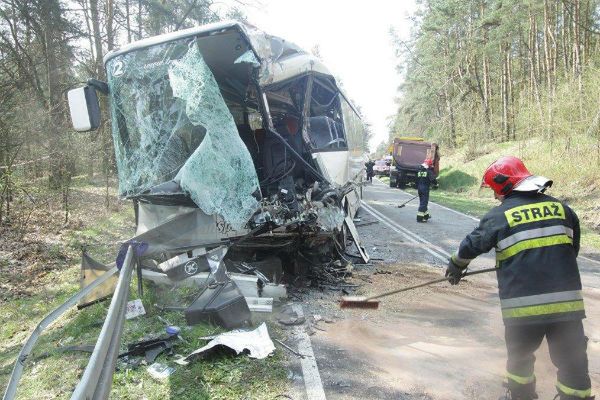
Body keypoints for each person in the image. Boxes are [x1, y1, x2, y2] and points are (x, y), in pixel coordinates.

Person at [445, 156, 593, 400]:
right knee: (572, 363)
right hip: (567, 307)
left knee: (520, 360)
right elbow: (571, 251)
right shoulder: (563, 210)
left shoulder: (499, 216)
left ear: (504, 185)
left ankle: (521, 396)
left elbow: (471, 245)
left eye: (494, 190)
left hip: (523, 310)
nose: (494, 197)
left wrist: (456, 265)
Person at [416, 157, 435, 222]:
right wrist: (435, 184)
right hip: (425, 189)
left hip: (419, 188)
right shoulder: (428, 171)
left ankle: (426, 216)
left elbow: (417, 180)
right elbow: (433, 180)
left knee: (422, 202)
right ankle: (419, 218)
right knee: (424, 203)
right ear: (429, 165)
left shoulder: (419, 171)